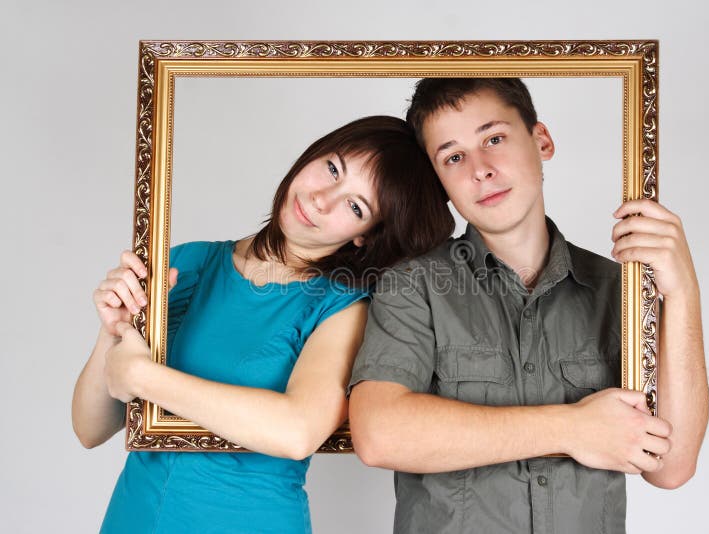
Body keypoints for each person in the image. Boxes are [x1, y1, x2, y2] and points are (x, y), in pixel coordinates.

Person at [348, 79, 709, 533]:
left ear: (542, 140)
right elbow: (380, 434)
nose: (480, 169)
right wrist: (572, 428)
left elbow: (671, 466)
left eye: (494, 139)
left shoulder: (621, 288)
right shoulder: (412, 286)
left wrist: (682, 291)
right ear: (439, 179)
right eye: (454, 157)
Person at [71, 115, 455, 534]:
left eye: (355, 205)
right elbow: (90, 430)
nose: (322, 199)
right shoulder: (187, 262)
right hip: (133, 517)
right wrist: (113, 331)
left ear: (365, 234)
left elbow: (298, 431)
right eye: (332, 168)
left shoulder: (343, 308)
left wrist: (145, 378)